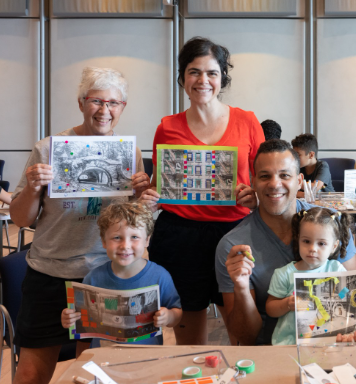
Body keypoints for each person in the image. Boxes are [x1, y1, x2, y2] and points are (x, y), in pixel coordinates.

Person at [9, 67, 149, 384]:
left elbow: (133, 224)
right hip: (49, 274)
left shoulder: (130, 153)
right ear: (81, 102)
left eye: (113, 103)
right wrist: (32, 188)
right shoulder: (48, 149)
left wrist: (141, 197)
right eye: (96, 101)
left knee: (96, 373)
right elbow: (21, 219)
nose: (104, 110)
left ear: (122, 107)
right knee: (31, 373)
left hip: (104, 275)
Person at [139, 37, 264, 346]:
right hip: (180, 237)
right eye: (194, 72)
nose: (203, 80)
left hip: (236, 233)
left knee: (243, 333)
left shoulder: (247, 121)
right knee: (189, 339)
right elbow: (159, 185)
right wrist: (149, 195)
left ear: (222, 78)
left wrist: (255, 196)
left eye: (212, 73)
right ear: (183, 78)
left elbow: (264, 178)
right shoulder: (167, 127)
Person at [215, 139, 356, 346]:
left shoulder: (330, 224)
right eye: (265, 176)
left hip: (332, 343)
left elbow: (354, 300)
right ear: (253, 182)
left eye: (285, 175)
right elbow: (245, 337)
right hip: (273, 349)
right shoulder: (233, 246)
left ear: (299, 181)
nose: (274, 184)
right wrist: (241, 287)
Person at [61, 202, 182, 346]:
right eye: (117, 238)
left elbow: (177, 312)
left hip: (147, 360)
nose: (125, 246)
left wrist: (168, 317)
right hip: (104, 361)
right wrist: (68, 319)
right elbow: (77, 316)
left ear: (147, 240)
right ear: (104, 241)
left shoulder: (160, 276)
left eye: (134, 237)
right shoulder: (93, 278)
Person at [266, 207, 352, 345]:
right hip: (289, 345)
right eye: (306, 241)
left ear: (334, 247)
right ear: (298, 240)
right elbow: (270, 308)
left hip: (328, 342)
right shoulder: (284, 274)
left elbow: (345, 295)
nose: (312, 248)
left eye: (321, 243)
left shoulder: (336, 269)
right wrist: (287, 304)